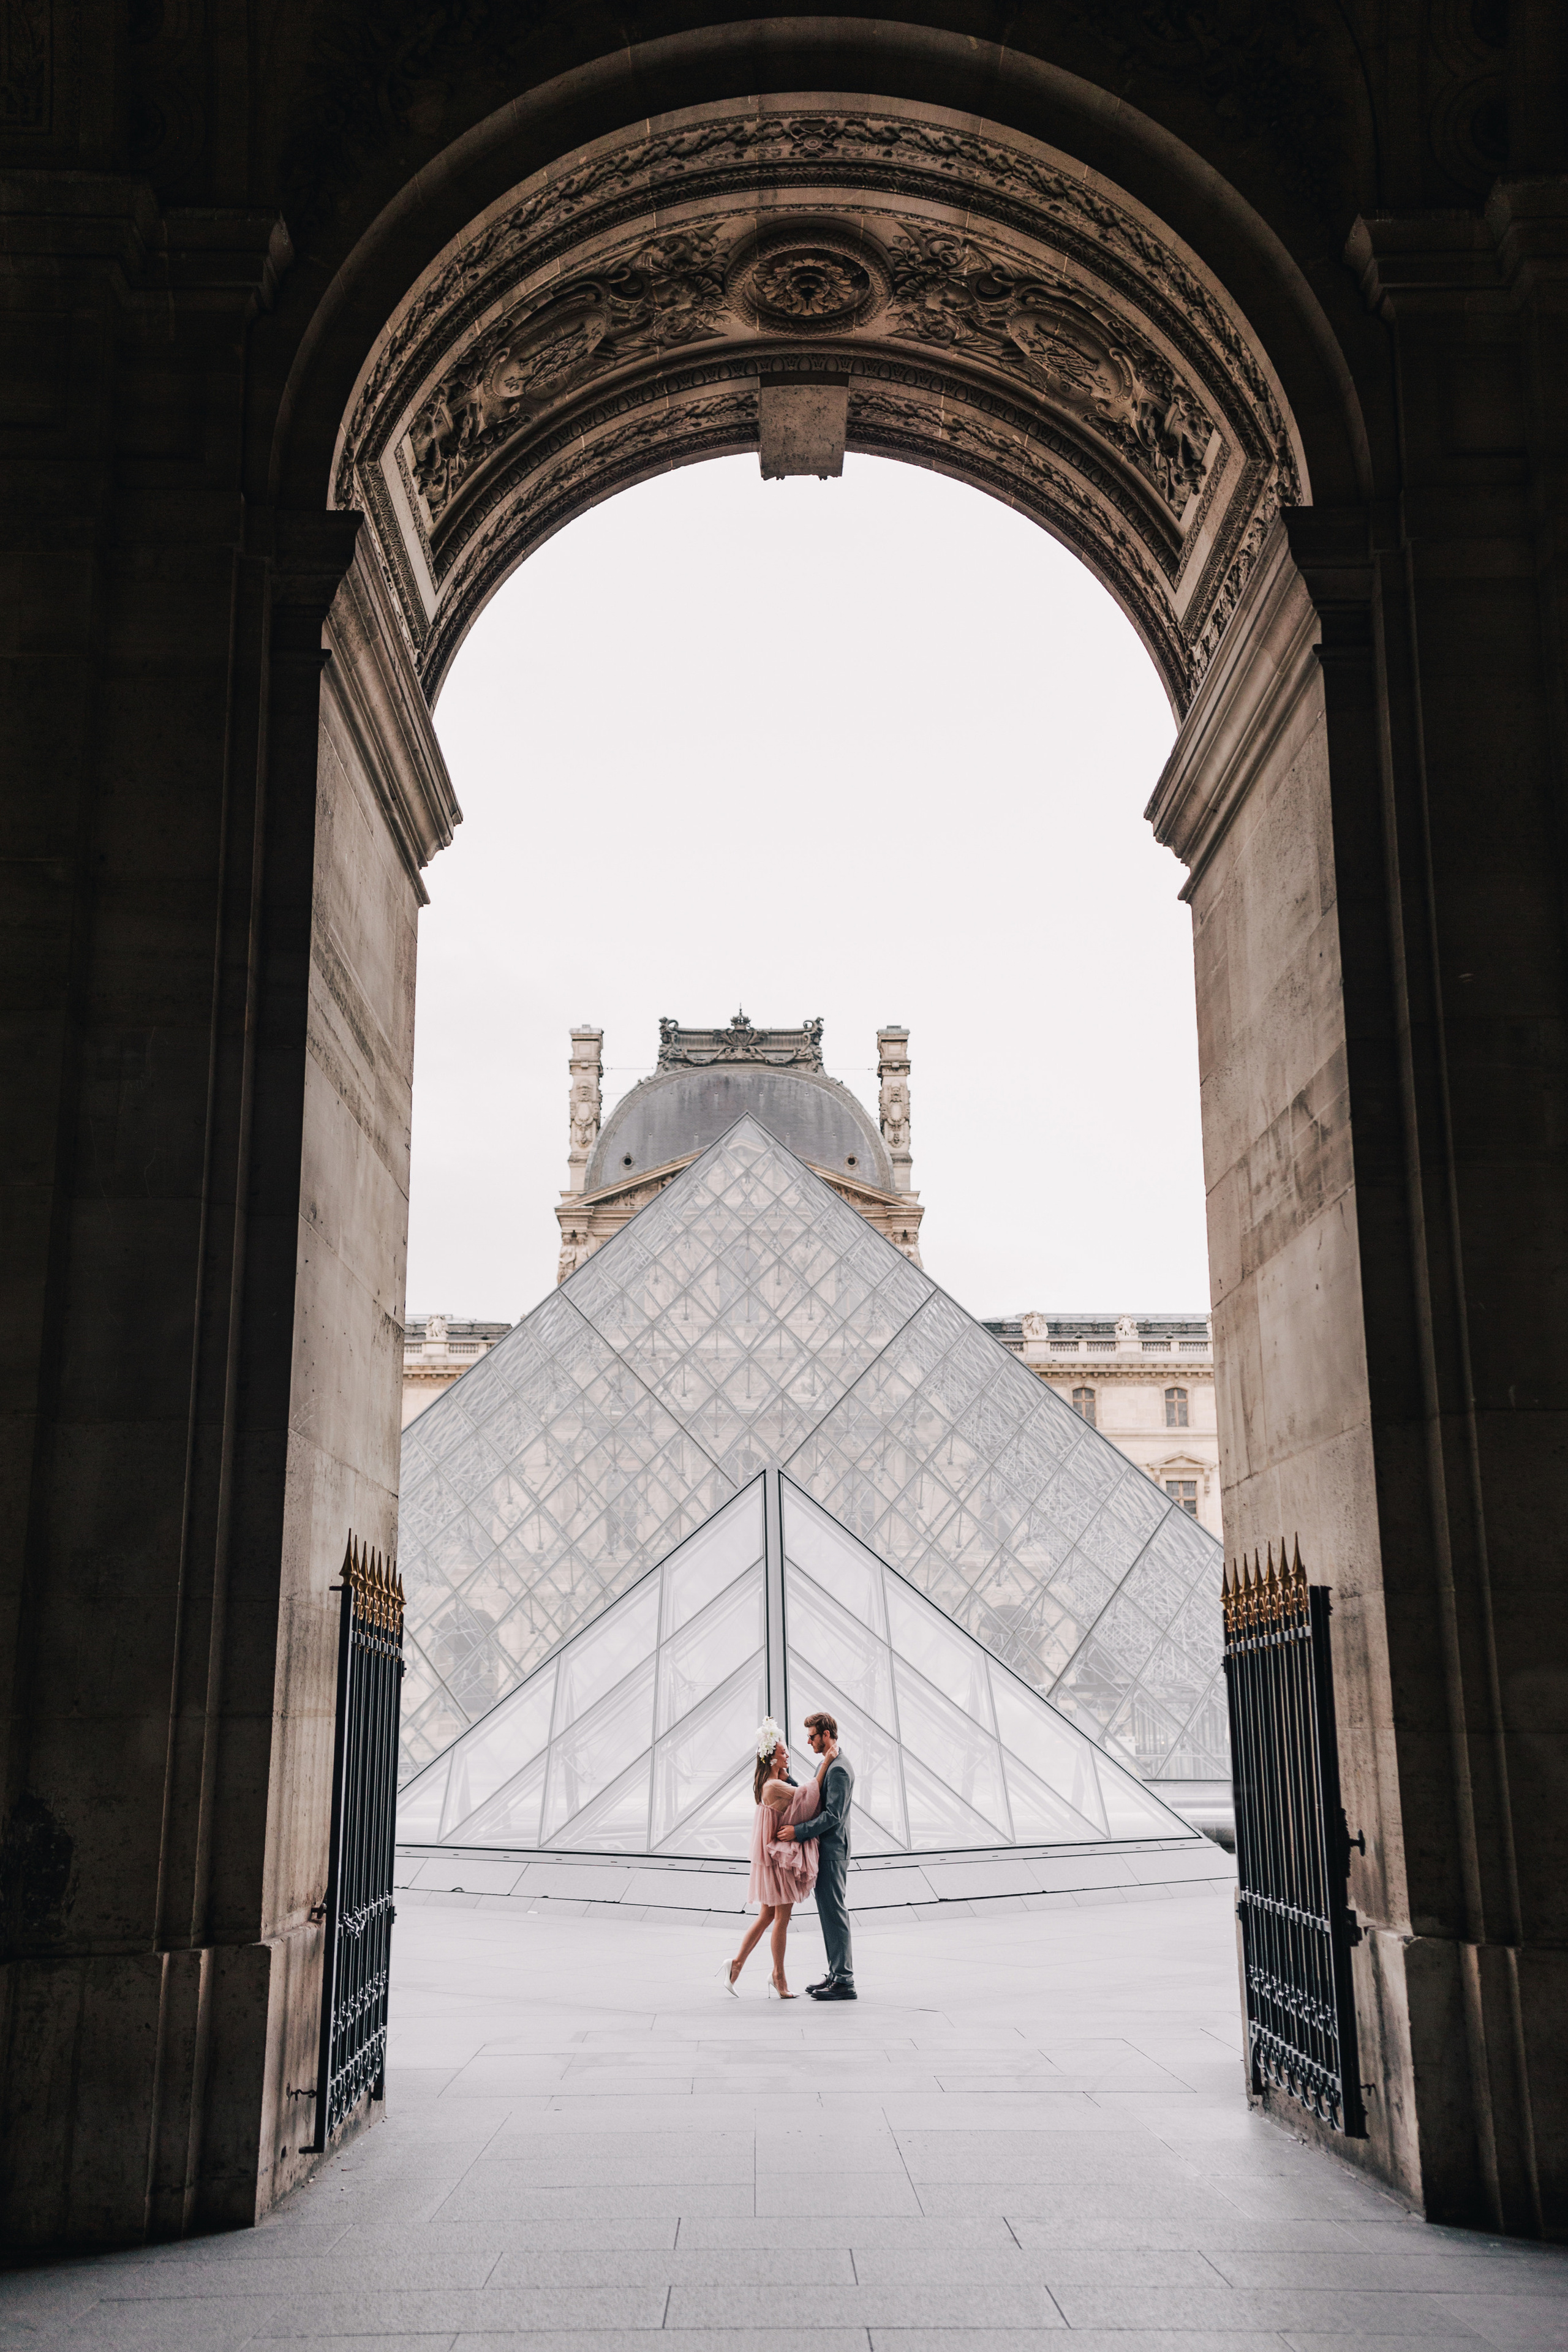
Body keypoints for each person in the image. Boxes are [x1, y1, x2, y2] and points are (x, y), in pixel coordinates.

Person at [724, 1717, 824, 1999]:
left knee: (768, 1914)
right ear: (771, 1758)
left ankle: (737, 1964)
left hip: (773, 1860)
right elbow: (811, 1796)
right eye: (783, 1752)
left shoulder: (770, 1784)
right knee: (781, 1917)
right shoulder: (773, 1787)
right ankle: (778, 1976)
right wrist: (826, 1763)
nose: (787, 1754)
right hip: (780, 1862)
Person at [777, 1710, 856, 2000]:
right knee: (829, 1914)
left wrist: (797, 1832)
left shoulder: (839, 1769)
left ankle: (844, 1981)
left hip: (833, 1852)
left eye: (812, 1736)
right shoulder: (829, 1764)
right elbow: (815, 1799)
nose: (808, 1741)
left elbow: (832, 1815)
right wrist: (791, 1781)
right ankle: (836, 1974)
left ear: (826, 1734)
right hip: (827, 1851)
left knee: (834, 1914)